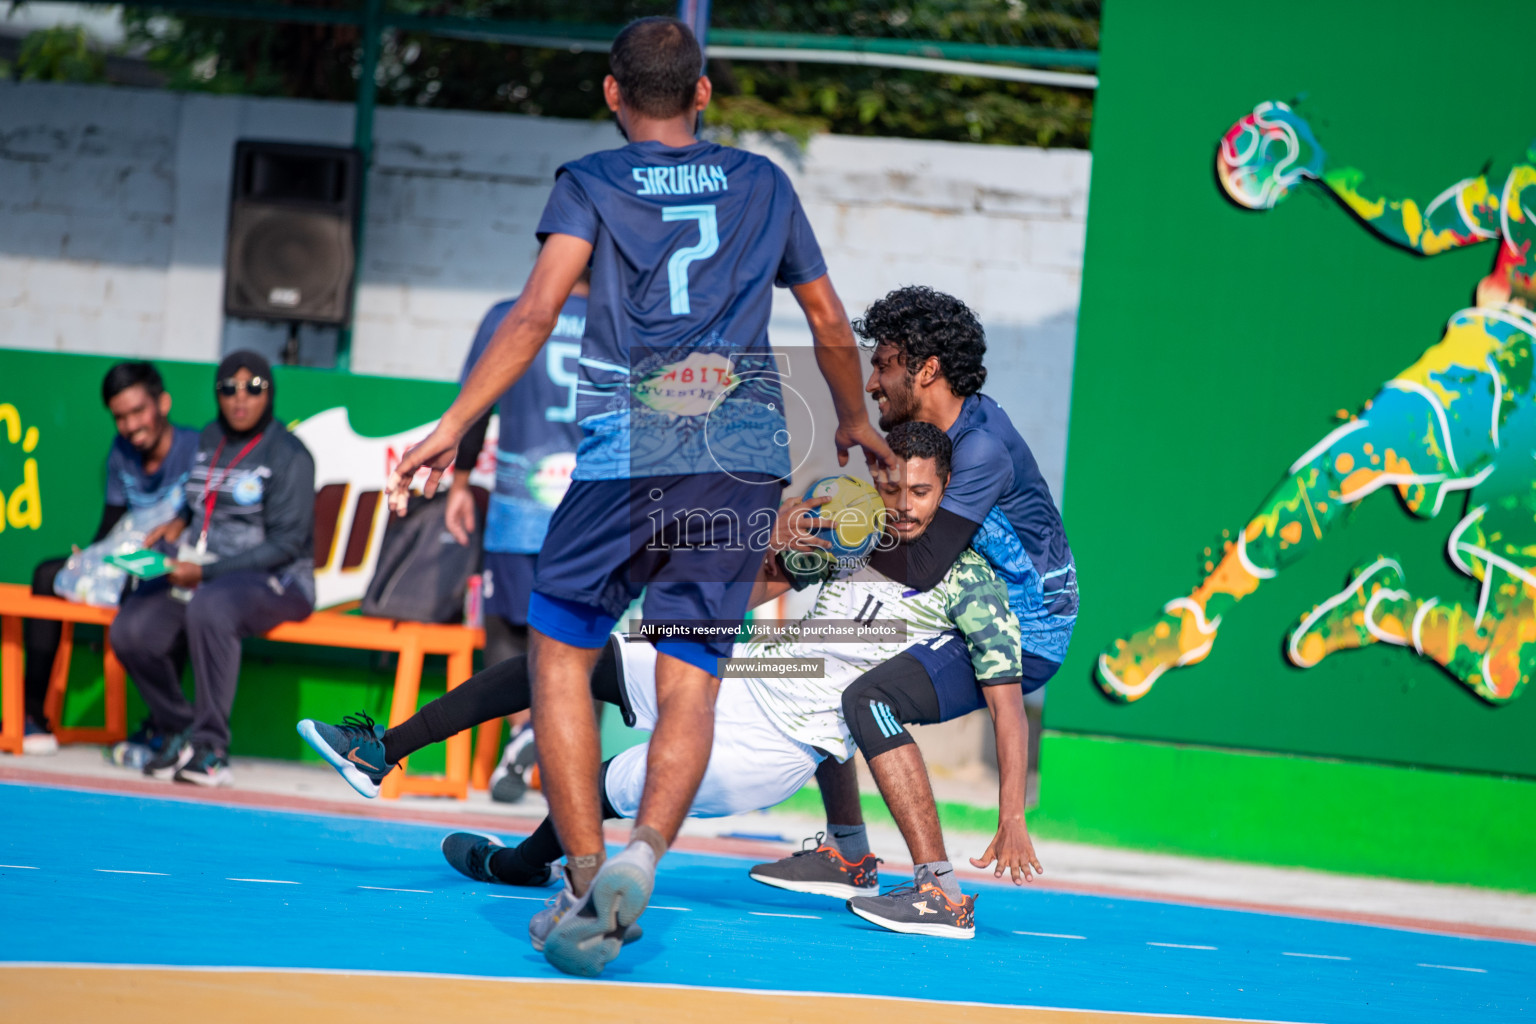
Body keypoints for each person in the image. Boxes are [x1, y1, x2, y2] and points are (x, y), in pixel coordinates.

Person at [383, 16, 888, 976]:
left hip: (627, 452)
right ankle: (646, 853)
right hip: (742, 457)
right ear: (703, 94)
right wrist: (856, 421)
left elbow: (537, 313)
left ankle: (579, 876)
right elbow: (826, 318)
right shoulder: (766, 185)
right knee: (689, 674)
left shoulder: (591, 183)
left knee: (561, 655)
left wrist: (451, 428)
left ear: (612, 94)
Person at [301, 422, 1019, 939]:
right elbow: (742, 597)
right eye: (890, 485)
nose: (900, 503)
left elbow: (1005, 698)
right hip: (747, 679)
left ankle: (523, 864)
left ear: (949, 491)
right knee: (569, 658)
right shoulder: (858, 538)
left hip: (775, 748)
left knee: (611, 780)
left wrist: (1009, 813)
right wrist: (776, 544)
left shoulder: (972, 581)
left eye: (918, 492)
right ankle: (383, 752)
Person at [1097, 102, 1536, 704]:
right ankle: (1193, 621)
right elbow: (1424, 225)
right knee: (1357, 457)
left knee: (1501, 668)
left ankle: (1378, 611)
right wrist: (1323, 166)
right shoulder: (1527, 187)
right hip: (1502, 360)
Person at [753, 285, 1076, 899]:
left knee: (869, 699)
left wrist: (822, 528)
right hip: (961, 595)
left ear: (926, 370)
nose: (872, 382)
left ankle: (940, 891)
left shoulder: (980, 448)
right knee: (827, 649)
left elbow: (920, 565)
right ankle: (847, 852)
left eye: (883, 364)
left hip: (1027, 629)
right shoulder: (929, 439)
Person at [109, 351, 316, 786]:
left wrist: (206, 574)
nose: (240, 399)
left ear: (270, 392)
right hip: (204, 573)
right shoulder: (210, 437)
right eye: (228, 388)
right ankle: (179, 727)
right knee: (131, 630)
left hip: (277, 581)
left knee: (211, 605)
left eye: (253, 388)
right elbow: (200, 497)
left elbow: (287, 544)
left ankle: (211, 749)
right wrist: (179, 520)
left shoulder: (289, 454)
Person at [444, 275, 588, 803]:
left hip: (519, 506)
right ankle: (562, 769)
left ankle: (524, 730)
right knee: (580, 639)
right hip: (594, 510)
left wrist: (460, 484)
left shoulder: (509, 313)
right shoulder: (632, 322)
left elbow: (475, 404)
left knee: (510, 633)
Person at [16, 361, 198, 755]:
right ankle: (30, 717)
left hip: (175, 572)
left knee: (169, 594)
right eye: (120, 417)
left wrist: (180, 522)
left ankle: (164, 726)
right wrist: (90, 559)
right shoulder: (121, 453)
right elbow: (112, 524)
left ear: (162, 403)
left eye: (138, 412)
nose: (131, 426)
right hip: (129, 564)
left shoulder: (195, 450)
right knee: (48, 575)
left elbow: (206, 518)